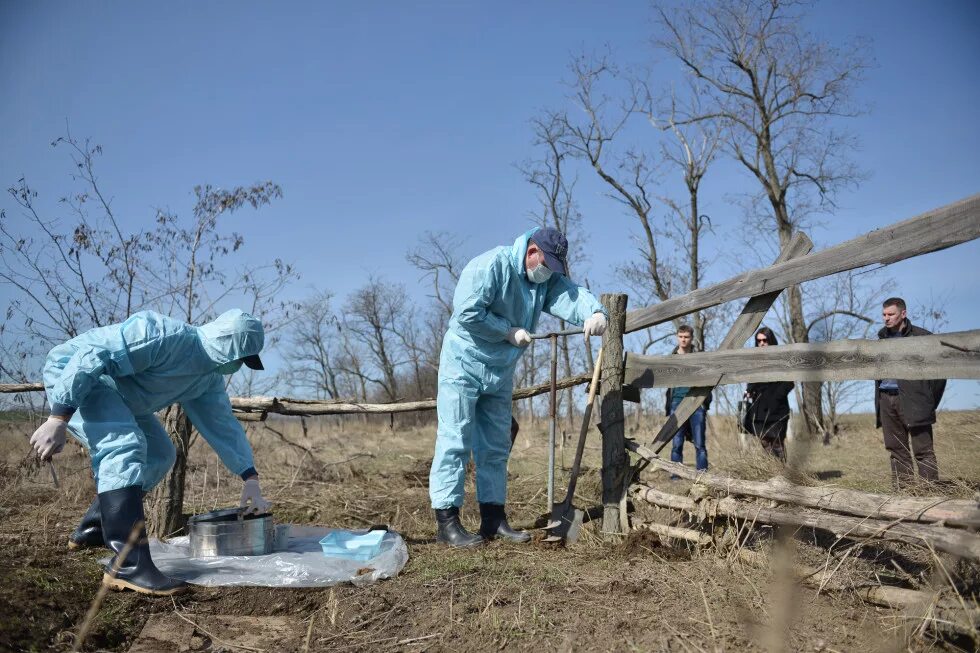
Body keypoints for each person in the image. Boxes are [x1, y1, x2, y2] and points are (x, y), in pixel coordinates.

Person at [29, 309, 272, 595]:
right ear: (228, 347)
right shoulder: (163, 336)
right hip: (77, 377)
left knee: (160, 454)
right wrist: (59, 416)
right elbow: (91, 355)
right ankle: (128, 566)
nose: (239, 366)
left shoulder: (207, 379)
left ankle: (94, 528)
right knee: (124, 444)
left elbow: (222, 425)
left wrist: (250, 477)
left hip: (119, 397)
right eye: (241, 359)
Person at [428, 227, 607, 547]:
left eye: (553, 269)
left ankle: (493, 520)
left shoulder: (545, 280)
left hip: (500, 371)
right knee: (456, 440)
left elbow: (570, 294)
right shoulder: (490, 266)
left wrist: (593, 312)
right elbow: (467, 313)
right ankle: (447, 522)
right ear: (531, 251)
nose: (548, 273)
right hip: (463, 364)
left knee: (495, 447)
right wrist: (507, 331)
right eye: (546, 265)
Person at [875, 297, 945, 488]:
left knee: (923, 450)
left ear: (903, 313)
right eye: (884, 314)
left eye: (891, 314)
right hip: (886, 399)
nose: (886, 318)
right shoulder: (880, 339)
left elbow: (940, 374)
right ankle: (904, 494)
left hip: (915, 400)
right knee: (896, 449)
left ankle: (929, 494)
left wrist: (928, 401)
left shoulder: (922, 337)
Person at [742, 327, 794, 462]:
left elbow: (789, 383)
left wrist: (776, 397)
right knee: (764, 442)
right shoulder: (754, 361)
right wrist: (749, 391)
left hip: (778, 409)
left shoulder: (781, 358)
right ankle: (771, 472)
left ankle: (782, 475)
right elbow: (752, 383)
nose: (762, 343)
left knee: (777, 443)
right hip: (759, 409)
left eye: (765, 340)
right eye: (758, 341)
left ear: (771, 340)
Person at [665, 324, 710, 475]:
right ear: (677, 337)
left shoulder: (699, 357)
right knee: (676, 443)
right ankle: (676, 476)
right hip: (676, 402)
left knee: (699, 443)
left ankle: (702, 476)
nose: (683, 340)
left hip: (696, 402)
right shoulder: (671, 358)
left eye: (686, 337)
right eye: (681, 337)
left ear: (691, 338)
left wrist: (705, 403)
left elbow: (708, 379)